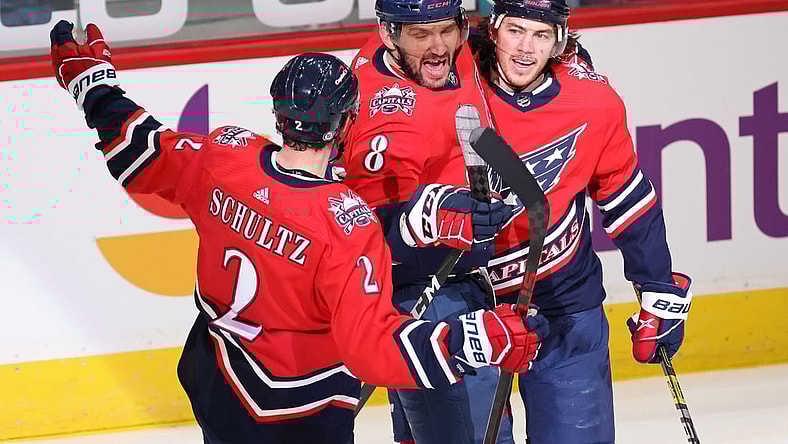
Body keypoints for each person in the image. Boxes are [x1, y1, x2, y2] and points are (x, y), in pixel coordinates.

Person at [49, 19, 550, 444]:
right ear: (348, 120)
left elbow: (141, 148)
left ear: (279, 115)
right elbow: (373, 351)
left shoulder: (226, 156)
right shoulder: (346, 223)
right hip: (302, 408)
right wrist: (476, 339)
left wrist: (92, 86)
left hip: (218, 381)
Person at [472, 1, 694, 442]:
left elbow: (628, 201)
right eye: (516, 31)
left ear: (560, 40)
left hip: (563, 304)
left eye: (541, 35)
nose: (525, 49)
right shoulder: (452, 87)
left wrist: (658, 291)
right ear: (493, 31)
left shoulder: (591, 102)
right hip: (468, 310)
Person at [340, 1, 532, 443]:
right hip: (428, 298)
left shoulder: (454, 51)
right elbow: (370, 239)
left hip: (461, 285)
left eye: (447, 30)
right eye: (421, 35)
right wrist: (449, 221)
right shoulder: (374, 117)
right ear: (390, 35)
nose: (438, 47)